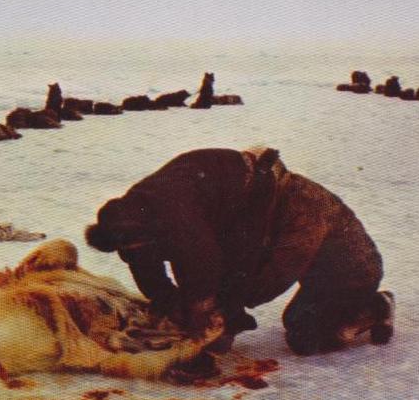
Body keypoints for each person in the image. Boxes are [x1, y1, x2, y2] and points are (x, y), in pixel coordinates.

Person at [85, 147, 394, 356]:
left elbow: (277, 272)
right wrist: (168, 300)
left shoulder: (304, 209)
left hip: (350, 273)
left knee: (303, 334)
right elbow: (147, 255)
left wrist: (223, 308)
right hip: (303, 264)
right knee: (232, 277)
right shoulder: (140, 210)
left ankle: (375, 306)